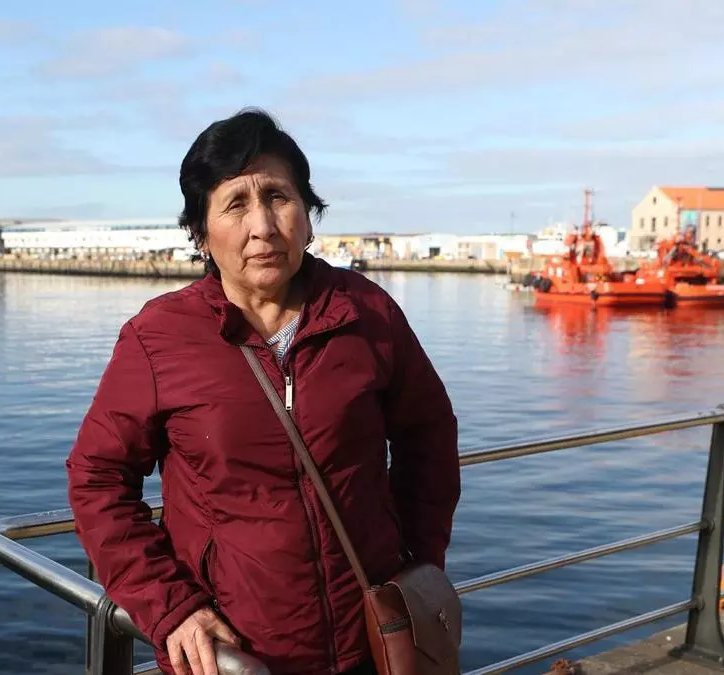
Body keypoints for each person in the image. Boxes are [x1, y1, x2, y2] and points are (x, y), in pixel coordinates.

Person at [66, 108, 461, 675]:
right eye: (235, 204)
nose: (264, 226)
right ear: (201, 233)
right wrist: (171, 607)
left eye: (278, 197)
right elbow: (97, 478)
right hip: (234, 654)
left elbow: (429, 436)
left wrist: (418, 561)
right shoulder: (158, 338)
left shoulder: (367, 313)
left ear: (308, 216)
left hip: (372, 642)